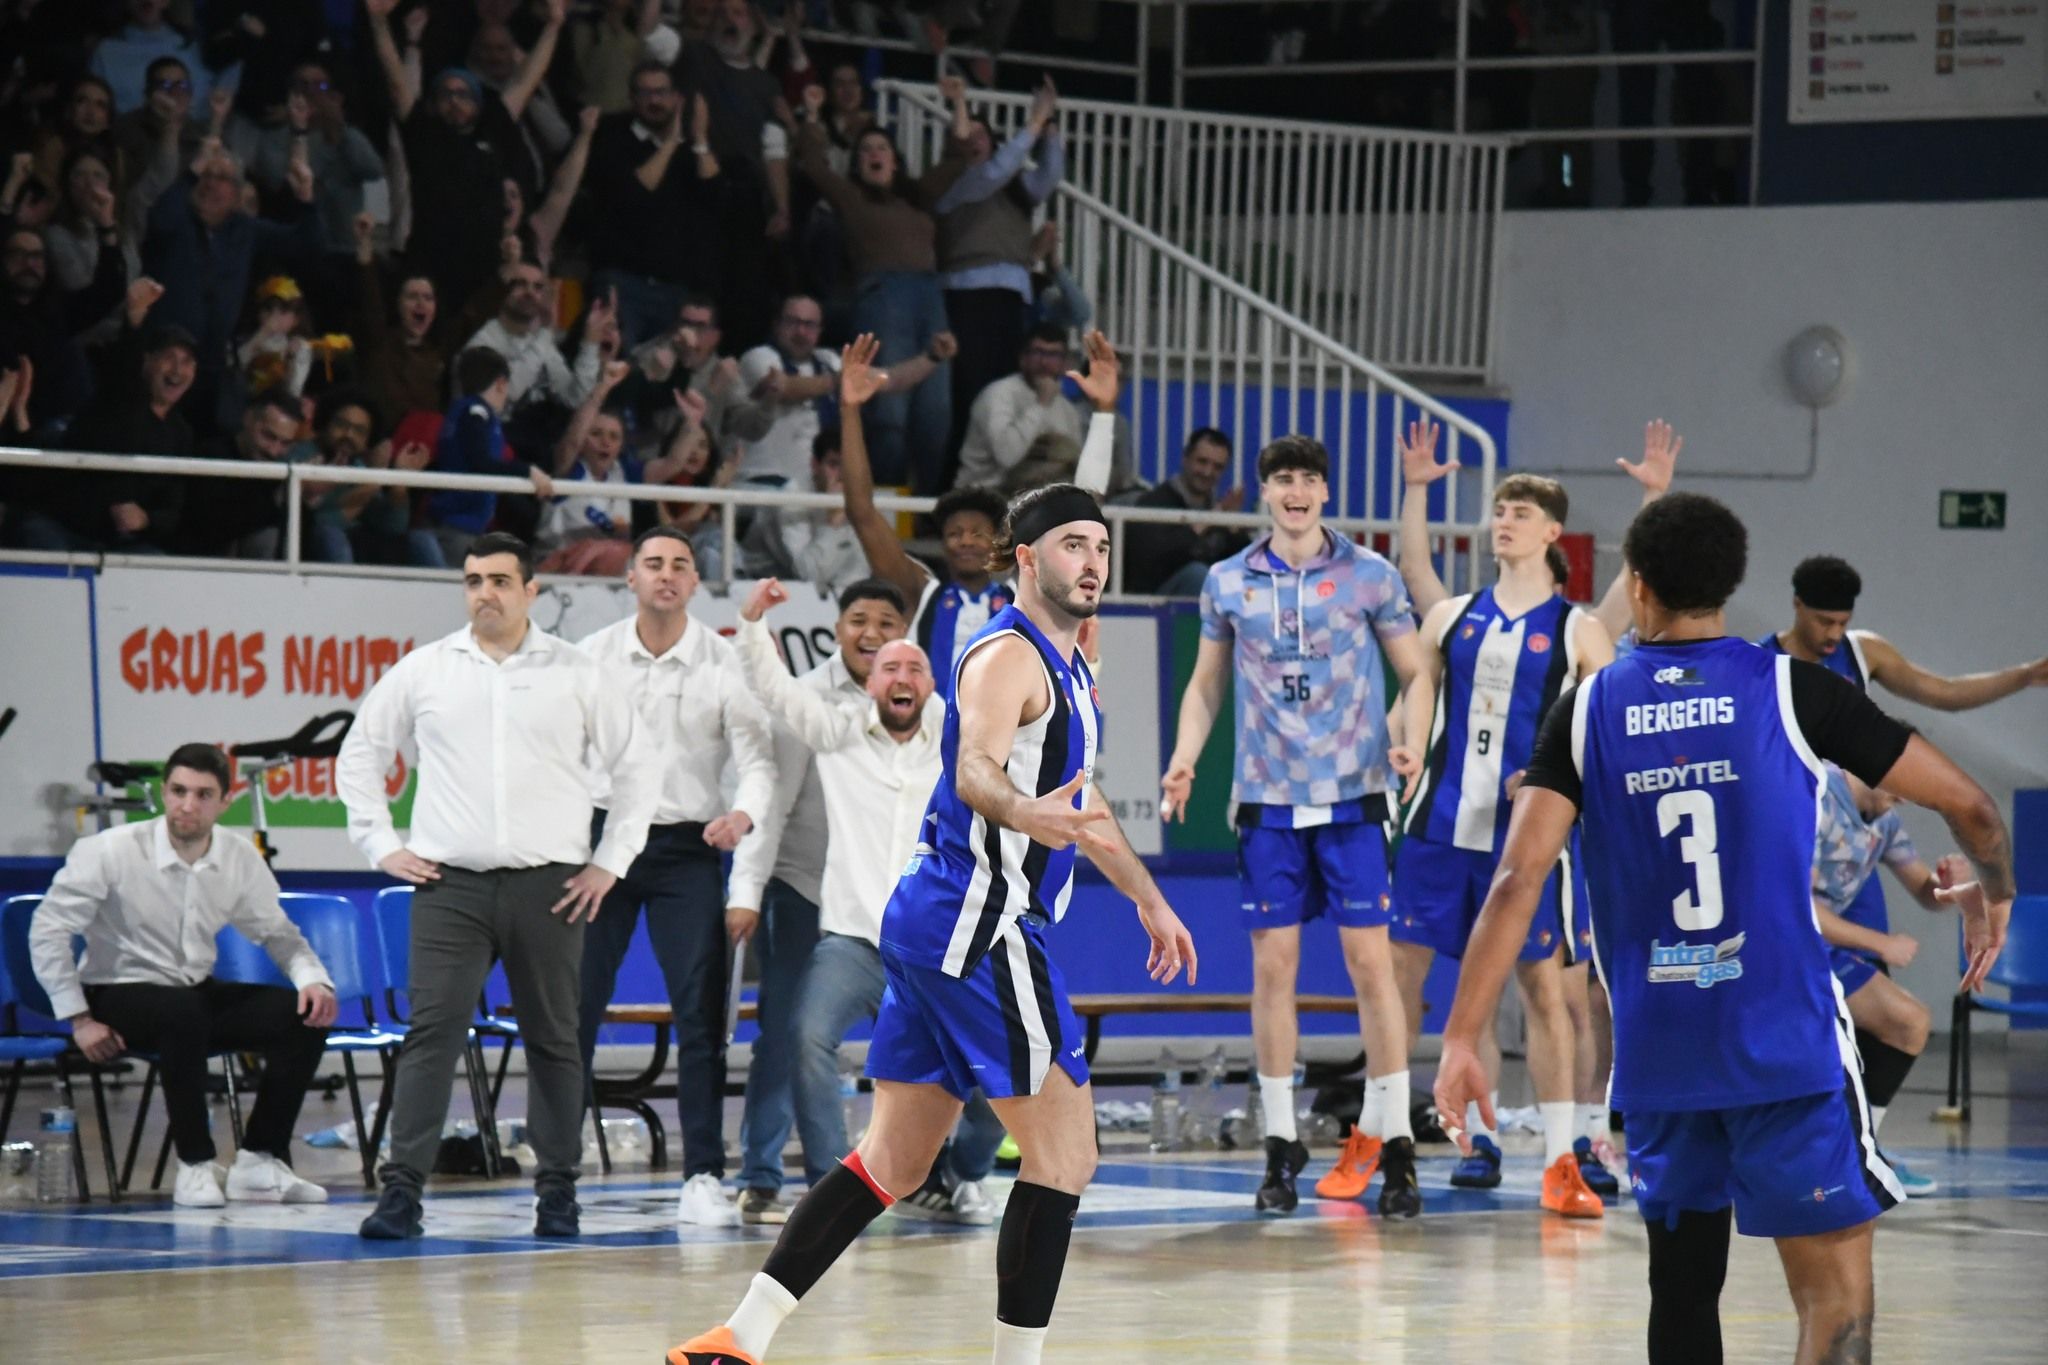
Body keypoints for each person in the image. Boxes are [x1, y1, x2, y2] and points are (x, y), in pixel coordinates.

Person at [1434, 491, 2013, 1365]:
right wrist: (1991, 891)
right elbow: (1972, 808)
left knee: (1682, 1296)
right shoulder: (1792, 688)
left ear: (1637, 584)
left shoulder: (1586, 710)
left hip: (1664, 1059)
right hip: (1784, 1047)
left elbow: (1517, 879)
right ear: (1731, 586)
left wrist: (1462, 1037)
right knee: (1837, 1305)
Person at [668, 481, 1197, 1365]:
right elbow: (976, 770)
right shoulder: (1006, 656)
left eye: (1101, 546)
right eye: (1073, 545)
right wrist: (1027, 815)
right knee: (1066, 1158)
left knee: (895, 1159)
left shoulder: (1074, 660)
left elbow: (1084, 794)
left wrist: (1145, 892)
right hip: (975, 927)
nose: (1093, 562)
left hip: (932, 925)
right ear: (1027, 559)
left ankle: (738, 1336)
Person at [337, 531, 660, 1241]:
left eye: (500, 580)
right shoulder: (425, 671)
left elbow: (639, 769)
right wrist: (382, 844)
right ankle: (401, 1195)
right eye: (474, 579)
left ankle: (558, 1194)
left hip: (551, 884)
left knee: (555, 1038)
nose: (485, 591)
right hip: (449, 884)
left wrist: (612, 860)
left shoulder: (577, 673)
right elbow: (360, 753)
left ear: (530, 590)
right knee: (431, 1035)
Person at [1161, 432, 1428, 1219]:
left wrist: (1408, 733)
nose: (1297, 491)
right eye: (1283, 480)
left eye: (1310, 478)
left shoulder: (1369, 575)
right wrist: (1185, 759)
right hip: (1266, 799)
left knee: (1369, 965)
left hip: (1353, 794)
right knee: (1273, 969)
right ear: (1266, 492)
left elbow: (1416, 671)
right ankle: (1280, 1141)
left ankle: (1395, 1143)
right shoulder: (1227, 581)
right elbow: (1205, 687)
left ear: (1326, 490)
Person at [1383, 420, 1613, 1217]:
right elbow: (1413, 597)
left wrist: (1558, 778)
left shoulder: (1581, 629)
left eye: (1519, 511)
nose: (1503, 520)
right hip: (1439, 827)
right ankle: (1437, 1138)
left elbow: (1601, 729)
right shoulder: (1452, 615)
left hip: (1533, 836)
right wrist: (1407, 744)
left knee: (1545, 991)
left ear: (1553, 533)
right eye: (1499, 509)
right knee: (1414, 988)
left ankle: (1559, 1156)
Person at [733, 577, 1007, 1227]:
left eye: (914, 663)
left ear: (933, 683)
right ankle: (838, 1185)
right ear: (871, 683)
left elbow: (1028, 723)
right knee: (805, 1035)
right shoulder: (837, 731)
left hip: (938, 943)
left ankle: (966, 1171)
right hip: (853, 941)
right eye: (888, 667)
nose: (900, 673)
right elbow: (774, 688)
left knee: (998, 1065)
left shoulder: (957, 740)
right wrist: (750, 625)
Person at [29, 742, 337, 1208]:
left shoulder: (237, 857)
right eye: (178, 791)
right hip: (117, 993)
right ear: (164, 791)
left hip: (191, 993)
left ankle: (258, 1160)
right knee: (182, 1012)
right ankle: (195, 1164)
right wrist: (78, 1018)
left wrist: (312, 979)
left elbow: (278, 932)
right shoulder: (108, 850)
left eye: (202, 794)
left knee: (301, 1016)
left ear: (224, 802)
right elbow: (48, 930)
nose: (187, 805)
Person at [577, 525, 777, 1227]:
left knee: (700, 1014)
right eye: (653, 564)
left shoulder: (723, 662)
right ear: (630, 578)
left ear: (695, 583)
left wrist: (743, 814)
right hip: (601, 845)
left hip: (687, 848)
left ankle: (701, 1174)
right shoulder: (590, 657)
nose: (666, 574)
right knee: (574, 1004)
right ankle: (557, 1168)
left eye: (680, 566)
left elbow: (758, 761)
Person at [726, 576, 914, 1223]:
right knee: (786, 1031)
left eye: (886, 622)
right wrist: (747, 889)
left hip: (887, 909)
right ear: (837, 628)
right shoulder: (810, 702)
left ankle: (931, 1173)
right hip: (804, 888)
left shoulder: (922, 704)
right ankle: (762, 1173)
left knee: (931, 1039)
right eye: (858, 619)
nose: (871, 633)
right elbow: (773, 804)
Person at [836, 330, 1118, 701]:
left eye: (977, 532)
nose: (966, 541)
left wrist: (1104, 412)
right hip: (930, 750)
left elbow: (1083, 518)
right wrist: (849, 408)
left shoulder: (1027, 596)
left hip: (1004, 751)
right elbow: (863, 513)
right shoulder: (922, 592)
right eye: (955, 533)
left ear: (1000, 541)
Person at [789, 81, 966, 491]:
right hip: (883, 295)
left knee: (936, 410)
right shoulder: (852, 198)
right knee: (890, 409)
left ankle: (928, 511)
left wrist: (958, 103)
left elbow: (957, 160)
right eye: (865, 150)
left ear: (896, 161)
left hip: (930, 295)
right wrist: (813, 114)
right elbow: (814, 165)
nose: (873, 154)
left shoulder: (917, 197)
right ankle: (886, 508)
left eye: (881, 149)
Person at [1810, 763, 1961, 1197]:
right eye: (1904, 786)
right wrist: (1881, 942)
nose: (1907, 798)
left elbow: (1923, 887)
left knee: (1907, 1023)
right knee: (1902, 1021)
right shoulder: (1816, 801)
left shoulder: (1885, 818)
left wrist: (1947, 888)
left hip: (1827, 946)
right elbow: (1799, 905)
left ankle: (1860, 1150)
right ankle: (1856, 1153)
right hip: (1790, 944)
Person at [933, 74, 1063, 479]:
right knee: (970, 390)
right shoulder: (958, 181)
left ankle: (995, 485)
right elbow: (994, 171)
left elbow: (1048, 176)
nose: (975, 141)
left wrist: (1051, 127)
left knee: (1005, 392)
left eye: (982, 135)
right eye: (966, 134)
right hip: (969, 295)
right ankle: (955, 483)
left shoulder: (1013, 189)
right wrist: (1035, 122)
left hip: (1011, 296)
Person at [729, 292, 953, 489]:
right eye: (793, 322)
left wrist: (932, 358)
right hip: (762, 484)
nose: (801, 331)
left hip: (816, 490)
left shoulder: (829, 361)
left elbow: (891, 380)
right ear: (777, 325)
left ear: (820, 330)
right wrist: (841, 380)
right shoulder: (758, 356)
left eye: (810, 325)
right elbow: (785, 388)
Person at [584, 65, 724, 347]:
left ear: (676, 98)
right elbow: (633, 195)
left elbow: (715, 197)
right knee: (615, 364)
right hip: (622, 281)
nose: (654, 101)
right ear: (632, 98)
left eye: (661, 92)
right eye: (645, 93)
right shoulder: (612, 134)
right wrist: (670, 143)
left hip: (676, 287)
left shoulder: (690, 150)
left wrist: (699, 139)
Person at [953, 325, 1084, 493]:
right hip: (982, 496)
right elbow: (1007, 456)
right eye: (1038, 352)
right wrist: (1041, 404)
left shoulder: (1067, 410)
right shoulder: (998, 394)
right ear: (1023, 358)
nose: (1044, 362)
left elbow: (1073, 464)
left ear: (1065, 364)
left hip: (1038, 502)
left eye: (1053, 355)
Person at [1120, 427, 1249, 596]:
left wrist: (1234, 528)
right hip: (1153, 609)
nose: (1207, 472)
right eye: (1202, 462)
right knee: (1198, 575)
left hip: (1205, 609)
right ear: (1185, 459)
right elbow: (1153, 560)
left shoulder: (1219, 510)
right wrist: (1205, 523)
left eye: (1217, 467)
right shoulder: (1154, 503)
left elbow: (1245, 566)